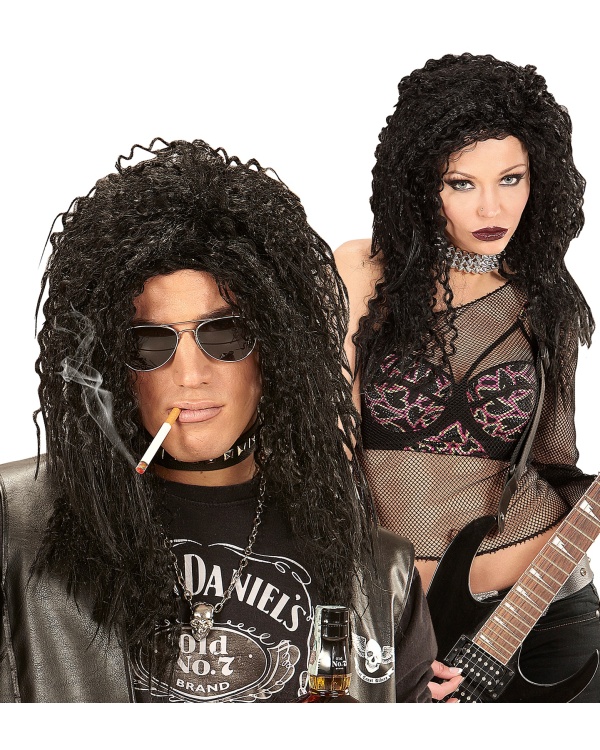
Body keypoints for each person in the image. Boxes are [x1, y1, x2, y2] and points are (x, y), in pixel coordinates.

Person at [0, 138, 436, 703]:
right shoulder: (17, 526)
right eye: (150, 343)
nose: (190, 374)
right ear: (114, 362)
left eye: (223, 334)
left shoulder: (375, 573)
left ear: (276, 347)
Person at [335, 53, 600, 702]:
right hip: (391, 614)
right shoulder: (361, 272)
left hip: (539, 610)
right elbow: (327, 452)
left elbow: (555, 465)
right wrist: (375, 615)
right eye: (461, 183)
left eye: (511, 178)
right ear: (421, 182)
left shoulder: (548, 301)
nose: (492, 206)